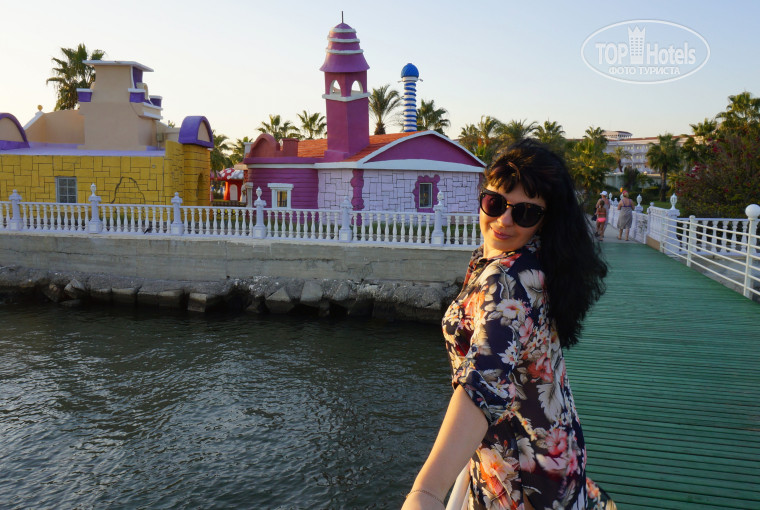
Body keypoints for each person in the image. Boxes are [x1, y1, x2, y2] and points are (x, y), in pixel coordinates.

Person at [402, 139, 615, 510]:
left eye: (526, 213)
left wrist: (428, 491)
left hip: (523, 475)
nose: (503, 220)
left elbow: (484, 380)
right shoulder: (535, 261)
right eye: (495, 203)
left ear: (546, 220)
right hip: (555, 448)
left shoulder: (508, 279)